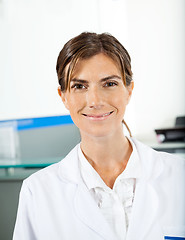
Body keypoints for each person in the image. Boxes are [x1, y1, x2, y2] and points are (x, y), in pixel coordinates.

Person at [13, 32, 185, 240]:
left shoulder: (179, 176)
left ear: (129, 90)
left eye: (109, 83)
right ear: (64, 97)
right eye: (79, 86)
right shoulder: (38, 191)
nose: (95, 100)